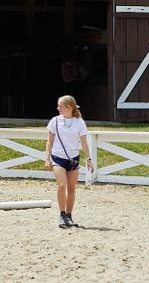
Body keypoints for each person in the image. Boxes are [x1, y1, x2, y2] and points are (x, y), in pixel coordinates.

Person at [44, 95, 94, 228]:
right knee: (62, 185)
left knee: (72, 189)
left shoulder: (79, 122)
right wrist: (47, 158)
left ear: (69, 107)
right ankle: (61, 214)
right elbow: (49, 142)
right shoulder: (54, 121)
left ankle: (69, 215)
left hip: (73, 158)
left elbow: (84, 143)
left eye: (60, 106)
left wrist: (89, 159)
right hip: (58, 157)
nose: (58, 108)